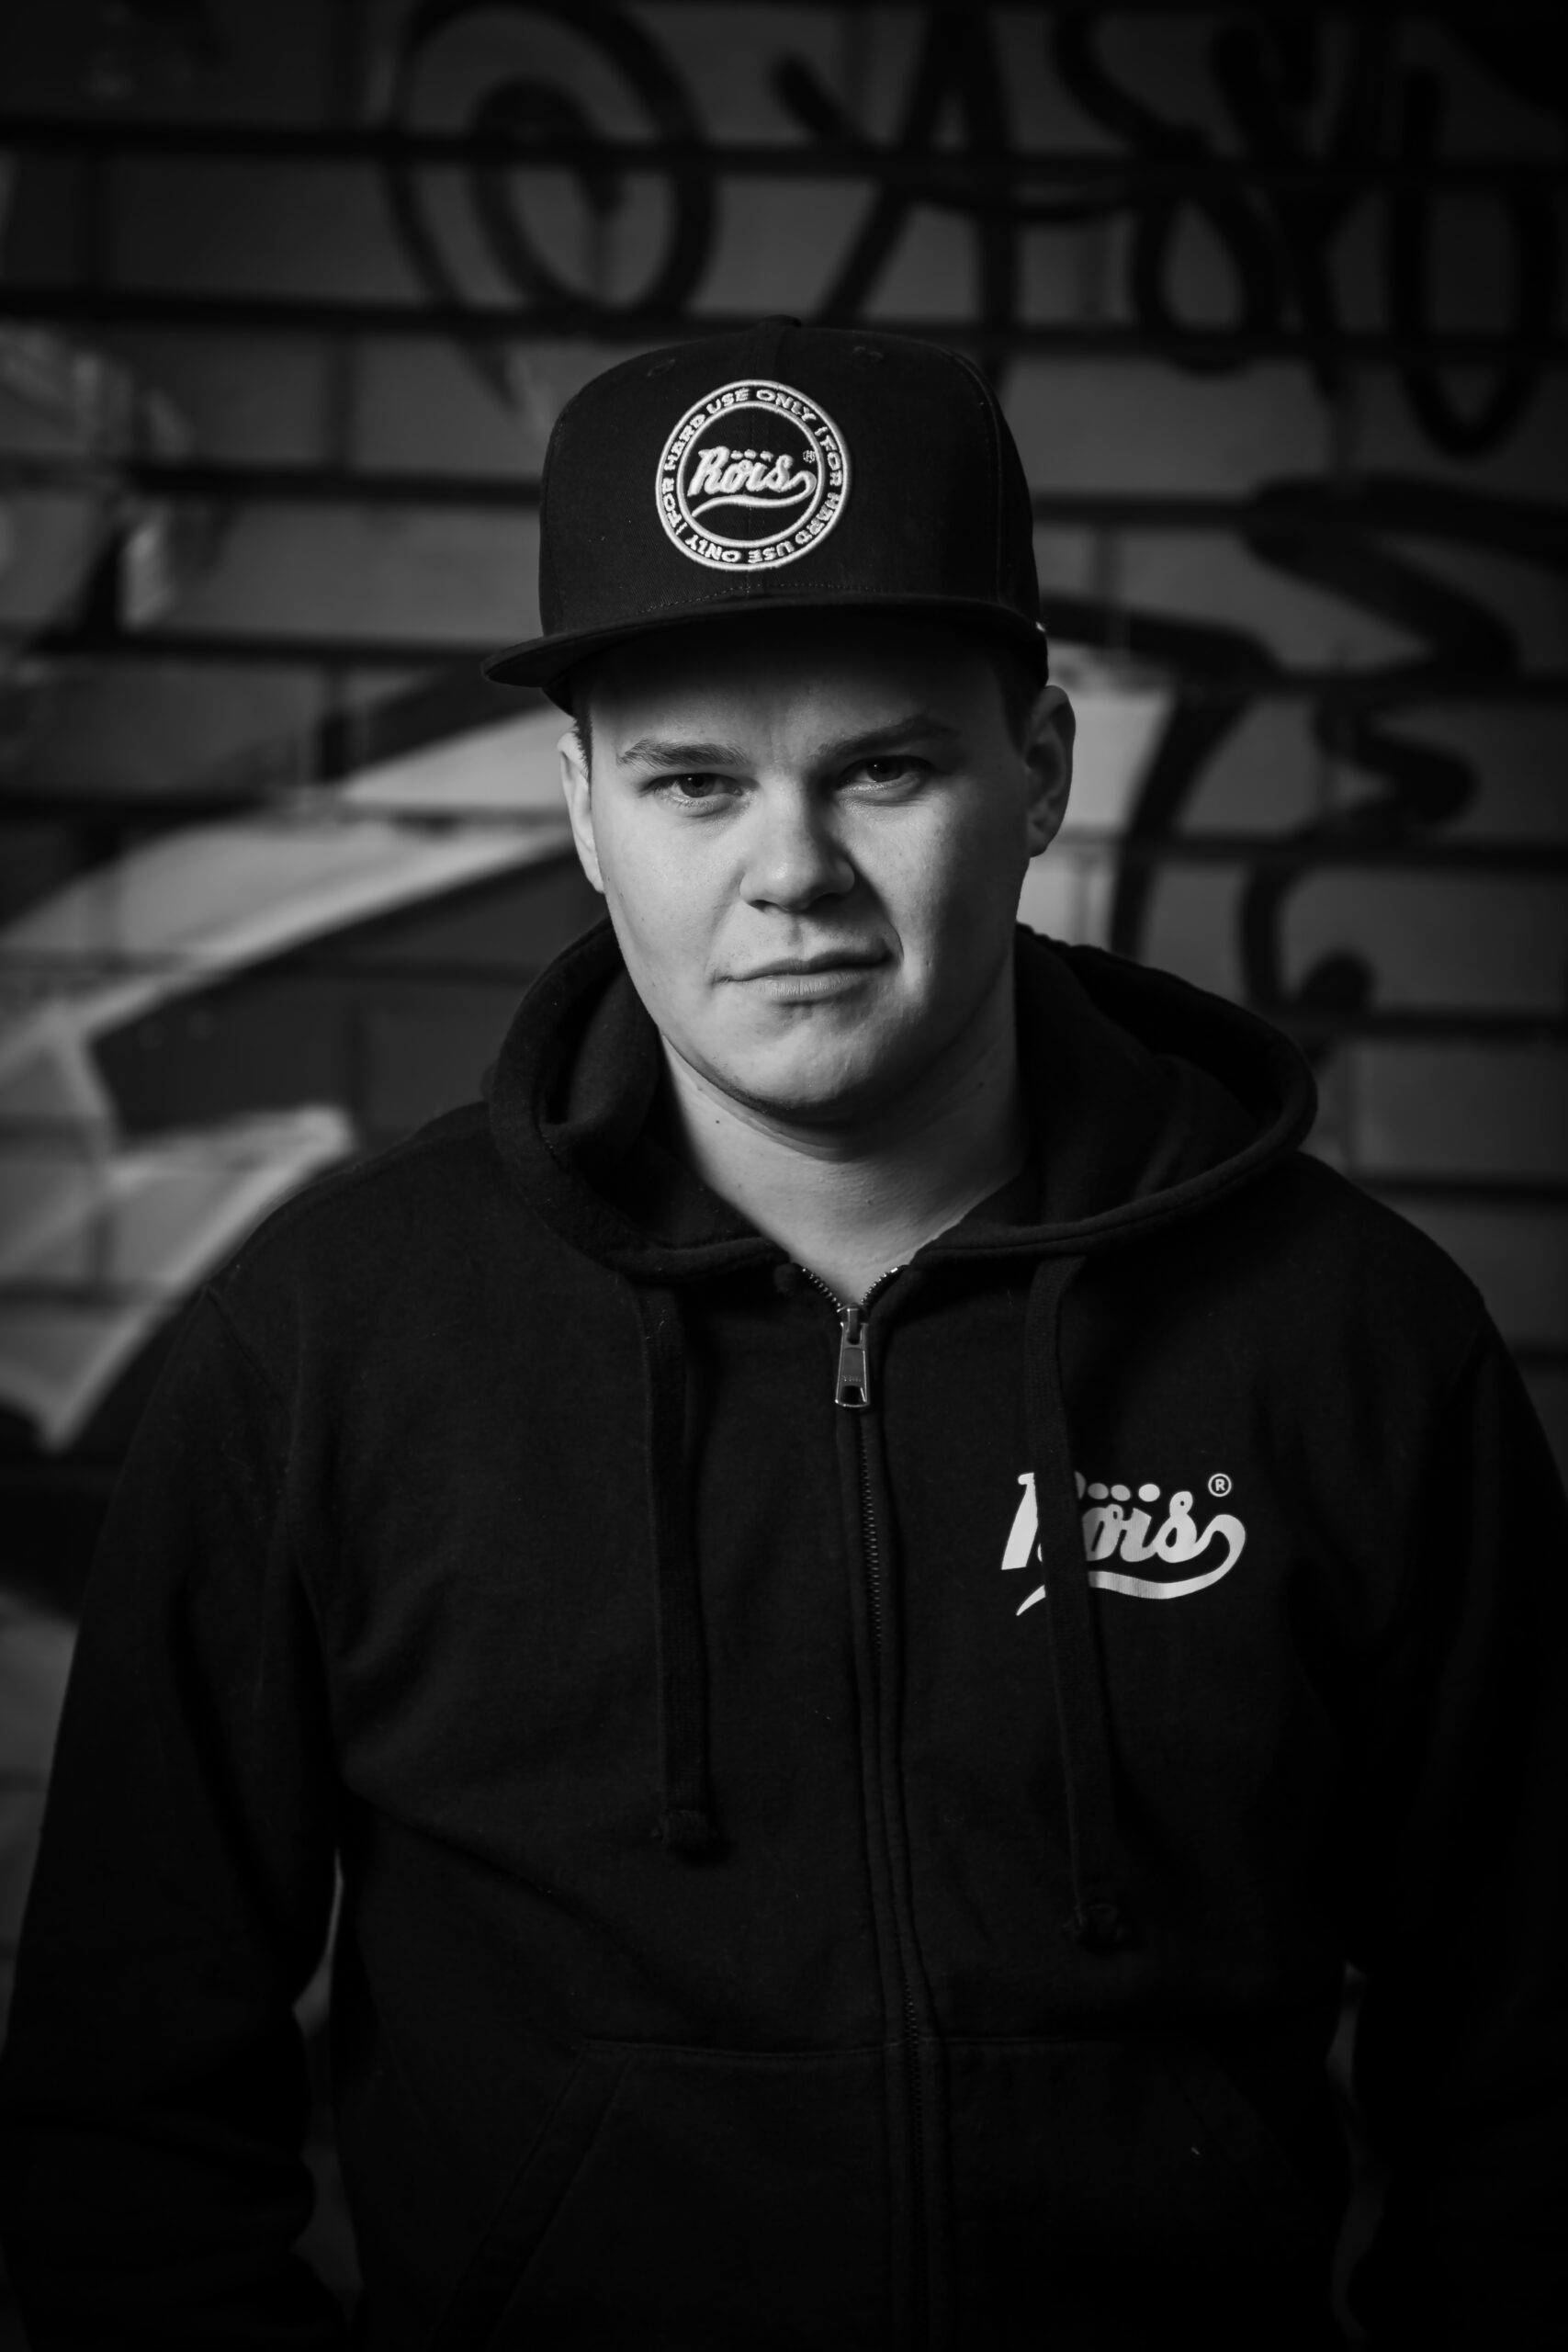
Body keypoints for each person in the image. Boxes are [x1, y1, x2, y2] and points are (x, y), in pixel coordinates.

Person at [0, 317, 1563, 2352]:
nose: (791, 875)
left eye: (882, 768)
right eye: (694, 784)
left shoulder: (1349, 1342)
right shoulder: (330, 1351)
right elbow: (117, 2121)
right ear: (583, 809)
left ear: (1038, 771)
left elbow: (1530, 2077)